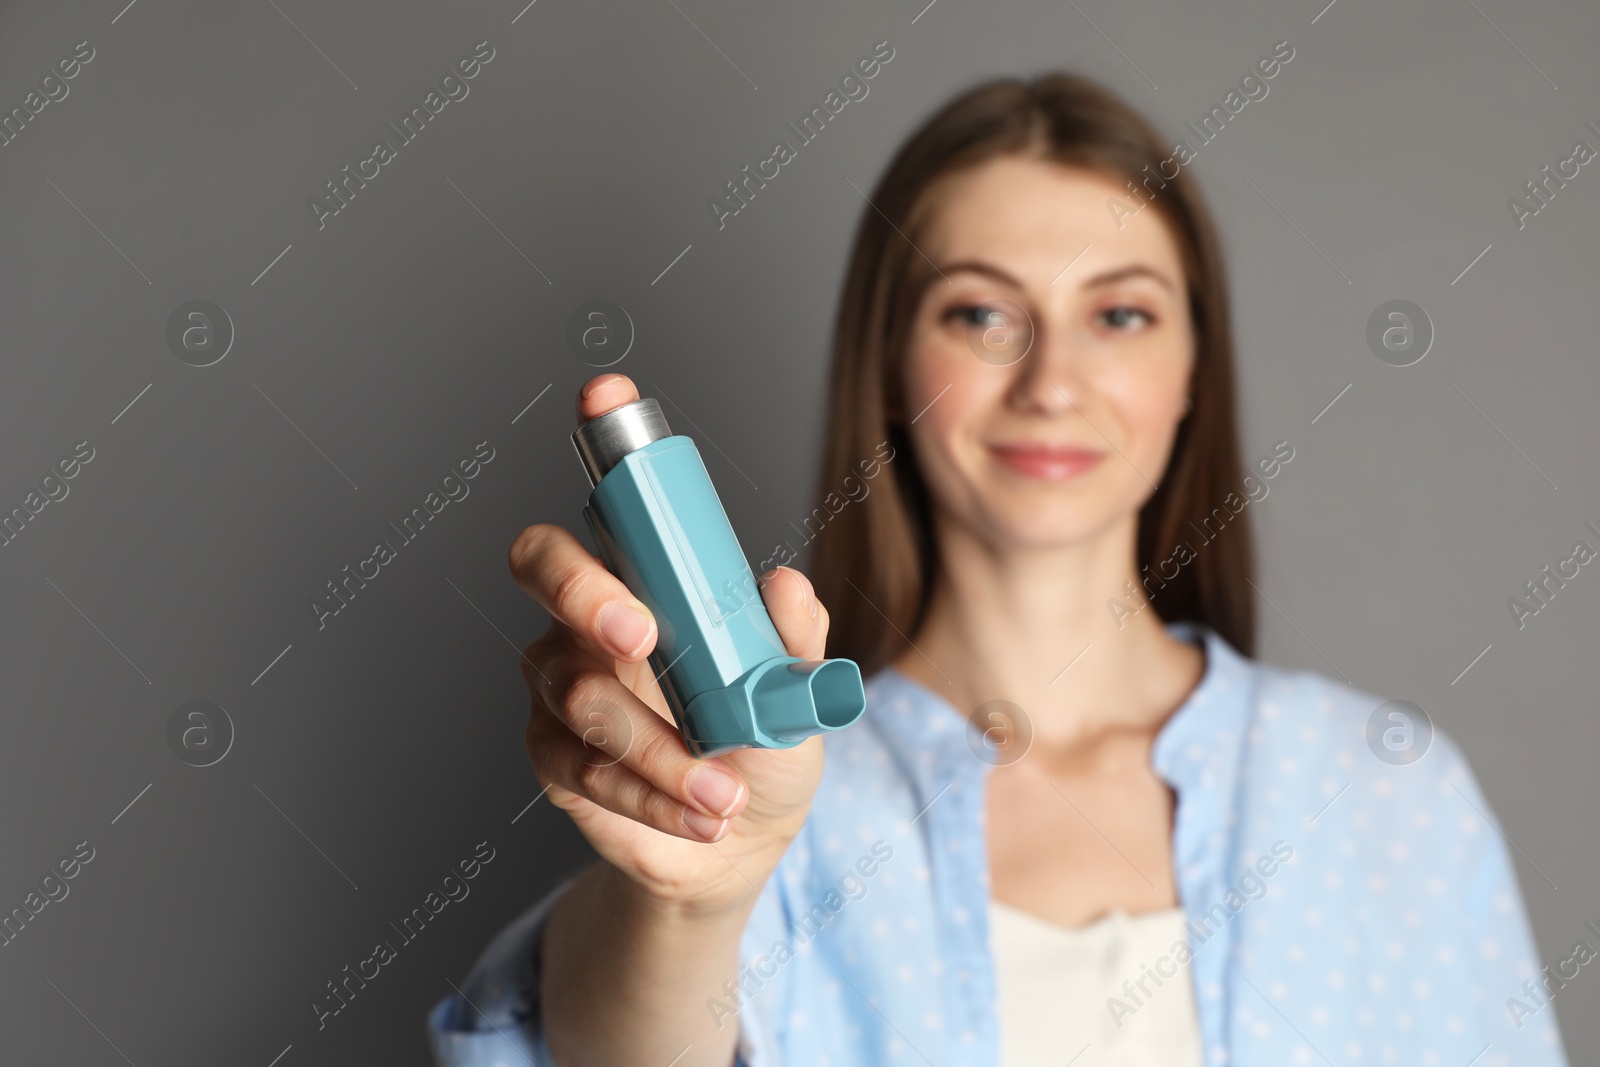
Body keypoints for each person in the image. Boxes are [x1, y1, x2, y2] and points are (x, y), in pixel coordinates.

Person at [428, 73, 1569, 1066]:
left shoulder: (1387, 790)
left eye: (1119, 312)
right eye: (980, 312)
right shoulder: (765, 778)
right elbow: (587, 1048)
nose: (1051, 380)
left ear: (1191, 373)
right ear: (886, 366)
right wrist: (693, 903)